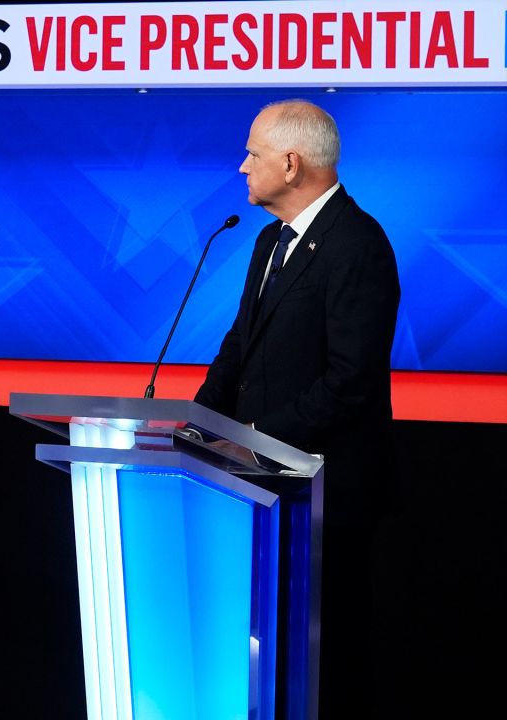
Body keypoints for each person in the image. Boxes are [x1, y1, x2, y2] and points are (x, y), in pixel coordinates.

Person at [194, 99, 400, 716]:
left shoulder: (357, 244)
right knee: (268, 663)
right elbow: (240, 343)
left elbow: (351, 380)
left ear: (290, 163)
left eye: (252, 154)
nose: (241, 167)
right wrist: (199, 426)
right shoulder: (267, 241)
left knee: (325, 668)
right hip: (259, 491)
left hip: (324, 501)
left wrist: (258, 436)